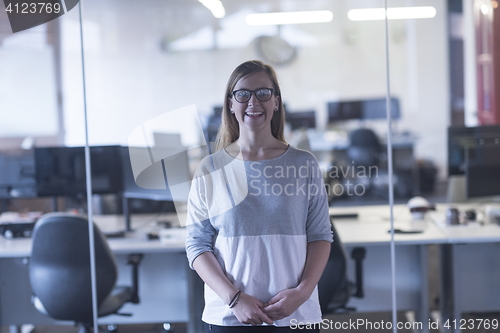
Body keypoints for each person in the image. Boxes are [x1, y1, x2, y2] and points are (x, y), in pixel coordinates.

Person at [185, 60, 333, 332]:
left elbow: (320, 236)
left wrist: (302, 293)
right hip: (231, 315)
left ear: (276, 101)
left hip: (295, 313)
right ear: (231, 103)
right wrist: (235, 299)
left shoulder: (303, 164)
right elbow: (197, 245)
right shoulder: (211, 168)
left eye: (263, 93)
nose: (253, 102)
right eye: (243, 94)